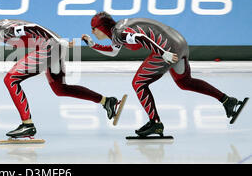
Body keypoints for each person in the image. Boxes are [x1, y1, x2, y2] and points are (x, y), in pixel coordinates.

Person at [82, 11, 248, 137]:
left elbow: (141, 37)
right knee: (185, 82)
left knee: (138, 83)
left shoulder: (120, 33)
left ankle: (155, 123)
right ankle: (228, 101)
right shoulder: (117, 32)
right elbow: (112, 51)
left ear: (102, 28)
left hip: (168, 48)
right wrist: (92, 45)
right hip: (179, 42)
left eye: (93, 29)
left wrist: (163, 53)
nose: (93, 32)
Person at [0, 12, 124, 139]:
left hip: (49, 48)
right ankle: (107, 101)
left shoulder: (4, 29)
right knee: (60, 89)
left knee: (10, 79)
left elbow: (32, 27)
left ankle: (27, 125)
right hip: (52, 48)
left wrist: (57, 41)